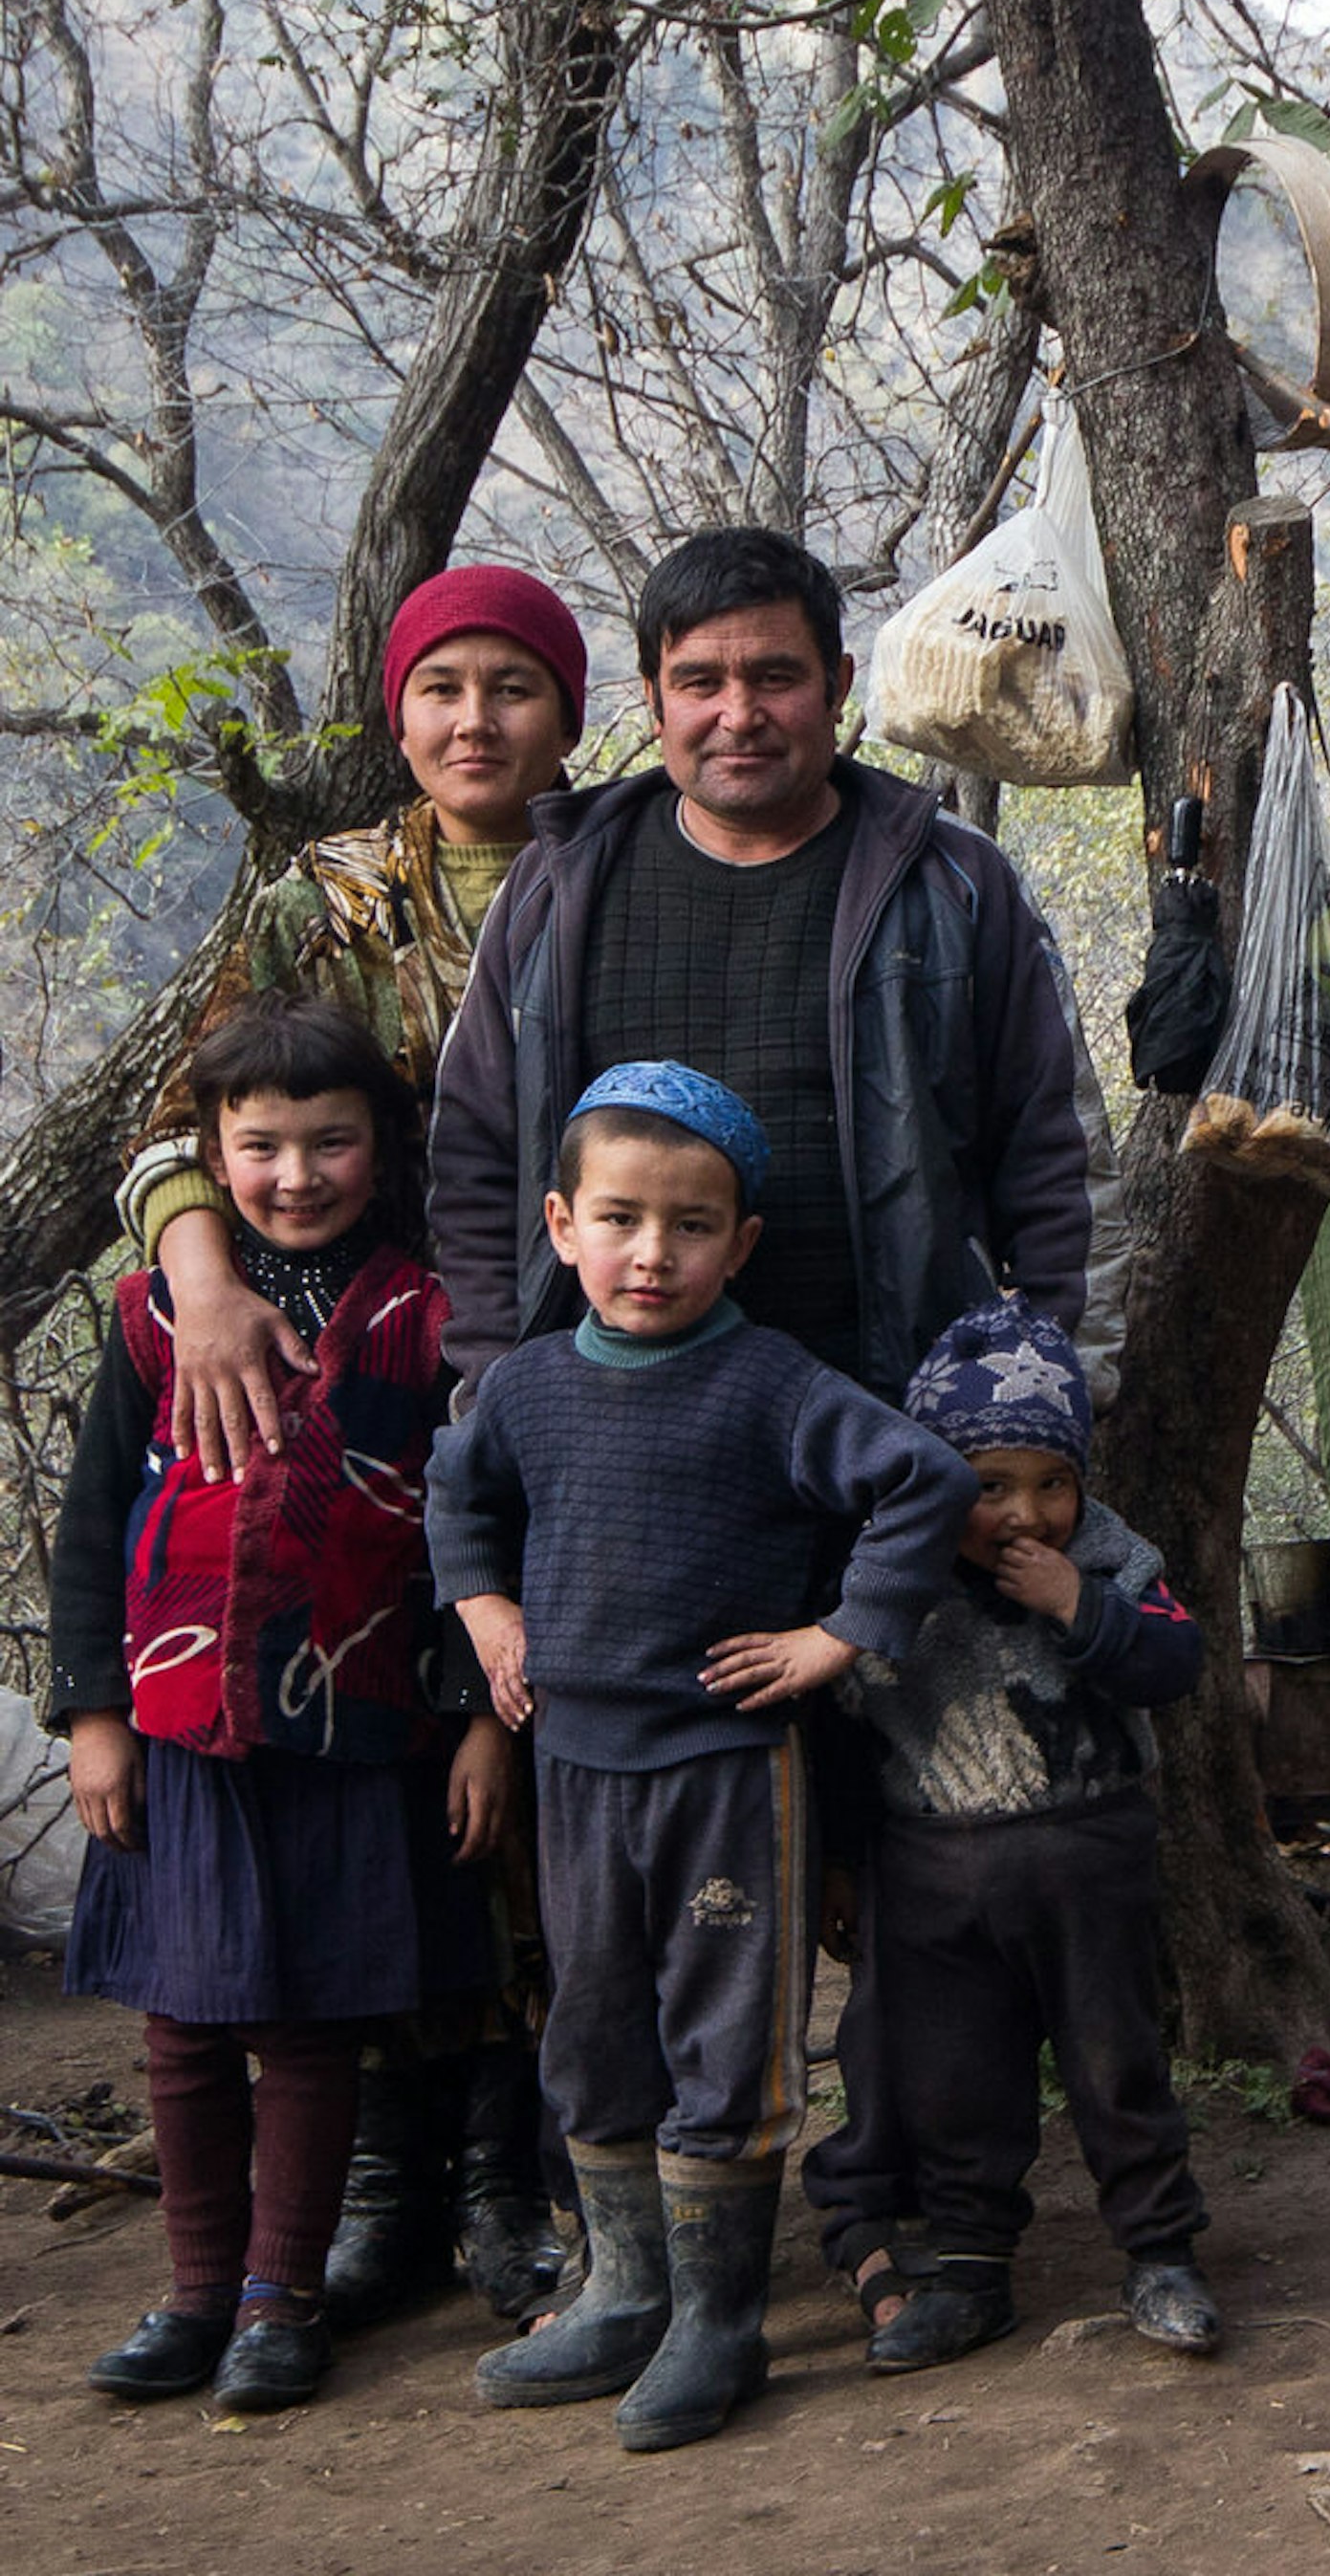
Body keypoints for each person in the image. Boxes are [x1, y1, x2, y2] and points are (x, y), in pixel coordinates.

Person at [114, 562, 589, 2330]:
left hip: (573, 1370)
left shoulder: (613, 873)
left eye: (515, 688)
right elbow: (186, 1122)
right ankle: (387, 2171)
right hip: (368, 1373)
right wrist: (206, 1280)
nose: (478, 721)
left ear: (569, 708)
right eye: (444, 688)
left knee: (520, 1755)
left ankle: (513, 2168)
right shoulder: (324, 898)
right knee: (384, 1764)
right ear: (398, 712)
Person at [425, 1063, 976, 2453]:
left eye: (690, 1225)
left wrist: (841, 1633)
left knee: (725, 2034)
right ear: (560, 1225)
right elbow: (458, 1490)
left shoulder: (774, 1383)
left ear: (741, 1244)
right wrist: (486, 1605)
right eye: (620, 1219)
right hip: (575, 1772)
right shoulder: (527, 1387)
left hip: (732, 1774)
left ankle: (718, 2321)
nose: (651, 1252)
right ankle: (625, 2291)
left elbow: (925, 1481)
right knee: (594, 2022)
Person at [51, 995, 510, 2414]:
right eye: (260, 1146)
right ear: (209, 1150)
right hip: (182, 1730)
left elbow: (477, 1536)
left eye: (331, 1142)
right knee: (183, 2030)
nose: (297, 1174)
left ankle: (278, 2299)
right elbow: (86, 1531)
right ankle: (194, 2291)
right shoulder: (154, 1317)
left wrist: (485, 1716)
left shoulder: (434, 1323)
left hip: (356, 1729)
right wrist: (92, 1715)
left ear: (386, 1147)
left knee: (307, 2025)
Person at [427, 526, 1122, 1406]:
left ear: (836, 686)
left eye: (775, 676)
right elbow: (475, 1163)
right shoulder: (558, 888)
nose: (738, 714)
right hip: (603, 1433)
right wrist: (505, 1388)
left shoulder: (949, 883)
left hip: (898, 1429)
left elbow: (1058, 1161)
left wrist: (1043, 1403)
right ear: (653, 700)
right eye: (699, 682)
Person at [805, 1299, 1220, 2375]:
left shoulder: (1115, 1562)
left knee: (1116, 2064)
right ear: (939, 1482)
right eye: (988, 1487)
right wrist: (843, 1863)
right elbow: (845, 1730)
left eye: (1052, 1483)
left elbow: (1173, 1665)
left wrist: (1079, 1602)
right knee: (954, 2083)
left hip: (1092, 1859)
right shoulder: (890, 1581)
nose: (1024, 1514)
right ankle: (972, 2269)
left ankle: (1161, 2253)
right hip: (935, 1875)